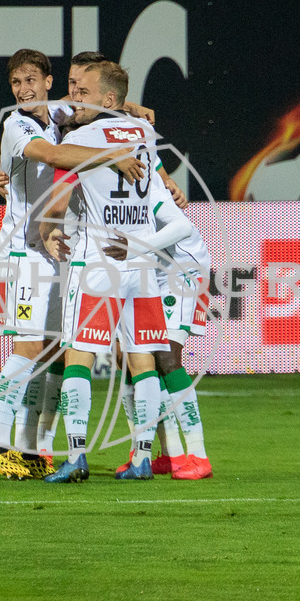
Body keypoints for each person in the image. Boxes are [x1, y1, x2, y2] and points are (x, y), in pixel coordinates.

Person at [0, 49, 146, 480]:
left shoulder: (57, 112)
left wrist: (131, 111)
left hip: (58, 251)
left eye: (31, 80)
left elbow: (129, 107)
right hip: (24, 251)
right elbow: (50, 157)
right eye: (16, 83)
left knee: (55, 350)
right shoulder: (16, 124)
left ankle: (33, 448)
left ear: (48, 81)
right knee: (29, 347)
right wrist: (113, 154)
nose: (23, 90)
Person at [39, 61, 189, 483]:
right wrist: (128, 109)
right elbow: (125, 120)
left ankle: (76, 455)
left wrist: (50, 228)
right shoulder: (143, 135)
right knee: (142, 360)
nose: (72, 97)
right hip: (141, 261)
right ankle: (142, 458)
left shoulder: (80, 139)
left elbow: (56, 200)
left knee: (78, 357)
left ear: (105, 98)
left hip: (98, 261)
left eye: (80, 90)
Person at [104, 171, 214, 480]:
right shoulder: (102, 179)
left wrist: (136, 247)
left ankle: (198, 456)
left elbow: (182, 226)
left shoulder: (141, 183)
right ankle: (170, 454)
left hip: (181, 271)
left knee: (166, 358)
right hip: (149, 270)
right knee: (130, 360)